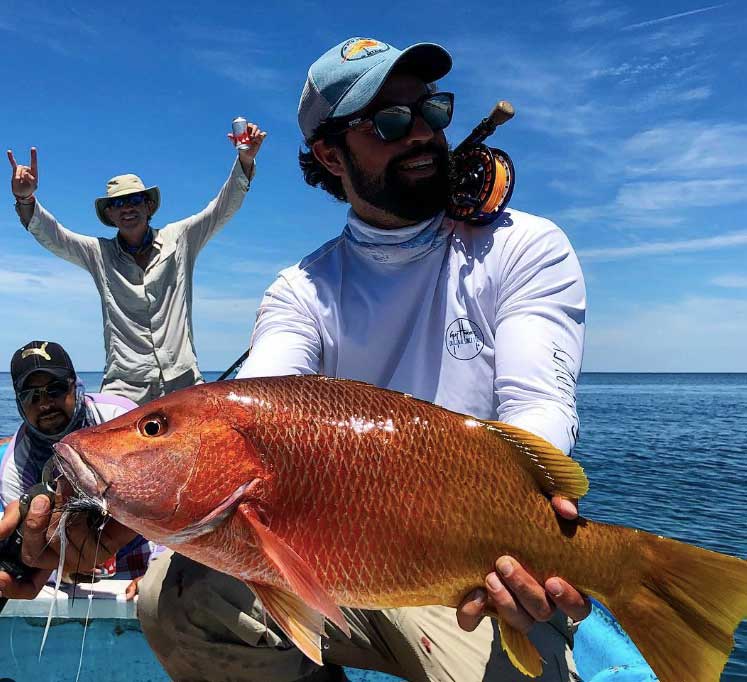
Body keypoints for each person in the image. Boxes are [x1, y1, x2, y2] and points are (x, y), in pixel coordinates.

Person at [135, 38, 589, 681]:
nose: (423, 134)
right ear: (329, 153)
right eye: (391, 122)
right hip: (333, 562)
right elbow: (256, 406)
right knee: (173, 599)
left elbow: (539, 407)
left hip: (477, 576)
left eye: (433, 111)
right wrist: (87, 497)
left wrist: (527, 542)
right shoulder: (303, 290)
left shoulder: (523, 247)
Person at [7, 122, 266, 406]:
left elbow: (221, 208)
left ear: (148, 206)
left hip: (183, 380)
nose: (127, 207)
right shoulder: (98, 253)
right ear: (109, 214)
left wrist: (245, 160)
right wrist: (25, 197)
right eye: (118, 203)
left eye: (134, 200)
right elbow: (54, 235)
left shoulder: (180, 239)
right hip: (123, 387)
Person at [0, 340, 156, 599]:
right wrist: (59, 571)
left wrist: (158, 570)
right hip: (72, 573)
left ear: (75, 385)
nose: (45, 404)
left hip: (141, 553)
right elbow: (29, 547)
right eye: (31, 396)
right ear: (19, 403)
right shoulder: (16, 466)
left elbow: (171, 499)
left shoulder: (120, 418)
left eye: (56, 390)